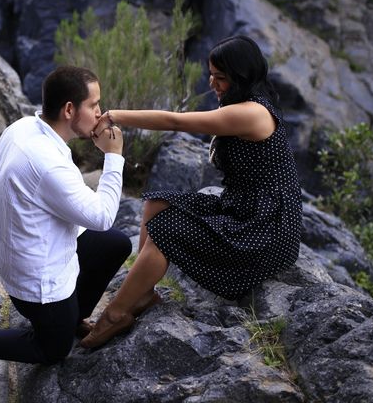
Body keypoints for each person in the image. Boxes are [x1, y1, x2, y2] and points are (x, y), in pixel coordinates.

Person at [80, 35, 303, 349]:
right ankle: (142, 294)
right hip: (244, 207)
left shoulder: (252, 113)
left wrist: (115, 116)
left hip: (267, 227)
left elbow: (175, 121)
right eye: (211, 74)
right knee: (156, 203)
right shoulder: (244, 102)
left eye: (221, 78)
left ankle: (116, 315)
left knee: (164, 232)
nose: (213, 83)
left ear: (242, 76)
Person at [0, 65, 141, 372]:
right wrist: (113, 156)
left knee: (115, 245)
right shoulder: (47, 164)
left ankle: (69, 319)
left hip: (27, 249)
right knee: (53, 349)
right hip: (36, 279)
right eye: (93, 105)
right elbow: (103, 215)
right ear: (69, 109)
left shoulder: (25, 127)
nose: (100, 113)